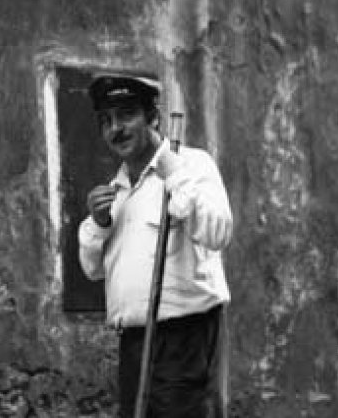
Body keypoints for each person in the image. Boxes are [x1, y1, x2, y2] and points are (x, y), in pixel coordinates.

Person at [77, 75, 233, 418]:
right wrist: (99, 224)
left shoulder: (192, 165)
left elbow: (218, 232)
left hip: (186, 337)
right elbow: (91, 269)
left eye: (126, 115)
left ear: (153, 118)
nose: (116, 128)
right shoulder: (115, 191)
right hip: (134, 342)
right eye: (106, 121)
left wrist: (175, 177)